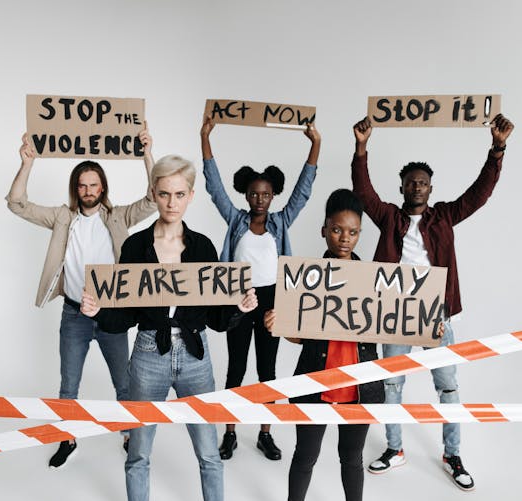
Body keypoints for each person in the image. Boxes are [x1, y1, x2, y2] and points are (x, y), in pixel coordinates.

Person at [80, 154, 258, 501]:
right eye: (164, 194)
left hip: (196, 357)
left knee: (209, 453)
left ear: (191, 196)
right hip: (149, 355)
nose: (171, 203)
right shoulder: (135, 246)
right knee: (139, 453)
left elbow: (215, 319)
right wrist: (98, 311)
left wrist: (238, 308)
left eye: (179, 195)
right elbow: (126, 315)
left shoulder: (203, 247)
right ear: (154, 192)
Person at [351, 114, 514, 491]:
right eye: (411, 183)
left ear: (430, 187)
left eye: (423, 183)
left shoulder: (443, 217)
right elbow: (364, 192)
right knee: (392, 383)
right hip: (394, 312)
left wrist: (498, 149)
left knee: (448, 386)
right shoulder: (389, 217)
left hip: (435, 313)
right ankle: (395, 449)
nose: (418, 188)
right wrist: (361, 148)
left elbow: (479, 194)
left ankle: (451, 454)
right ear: (403, 187)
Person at [6, 127, 156, 468]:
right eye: (82, 185)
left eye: (93, 185)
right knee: (68, 384)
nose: (88, 191)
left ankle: (130, 435)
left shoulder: (118, 216)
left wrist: (147, 154)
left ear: (102, 187)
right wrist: (27, 163)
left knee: (124, 382)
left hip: (112, 315)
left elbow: (152, 198)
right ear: (76, 188)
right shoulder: (63, 217)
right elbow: (17, 204)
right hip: (74, 315)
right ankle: (67, 437)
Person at [200, 116, 321, 461]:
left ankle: (265, 433)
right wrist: (205, 137)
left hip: (271, 302)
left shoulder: (281, 222)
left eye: (266, 194)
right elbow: (214, 188)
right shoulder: (236, 219)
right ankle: (230, 432)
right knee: (236, 368)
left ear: (273, 195)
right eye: (254, 193)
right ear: (246, 194)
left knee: (267, 371)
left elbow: (304, 191)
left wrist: (315, 144)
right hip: (239, 299)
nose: (259, 199)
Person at [263, 188, 385, 501]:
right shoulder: (306, 278)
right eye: (337, 230)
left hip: (361, 390)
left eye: (353, 232)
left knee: (352, 458)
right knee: (305, 456)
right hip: (314, 384)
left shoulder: (375, 280)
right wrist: (281, 326)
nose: (345, 238)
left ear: (360, 234)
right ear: (324, 230)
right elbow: (300, 335)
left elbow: (398, 322)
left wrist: (425, 325)